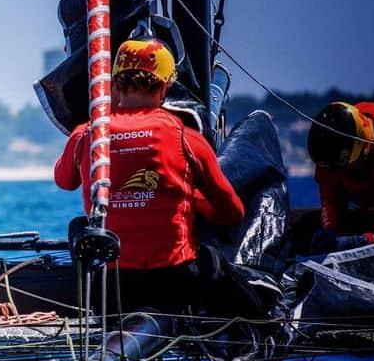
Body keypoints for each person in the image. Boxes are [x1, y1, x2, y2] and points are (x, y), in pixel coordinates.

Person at [53, 38, 254, 315]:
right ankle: (267, 331)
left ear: (113, 84)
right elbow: (233, 213)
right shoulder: (187, 139)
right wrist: (188, 198)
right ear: (165, 87)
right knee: (212, 260)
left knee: (80, 225)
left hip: (112, 289)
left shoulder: (87, 135)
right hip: (177, 283)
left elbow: (64, 181)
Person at [307, 100, 374, 251]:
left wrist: (368, 240)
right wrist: (329, 228)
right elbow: (328, 197)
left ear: (363, 148)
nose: (334, 172)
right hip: (372, 213)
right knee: (305, 228)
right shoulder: (330, 144)